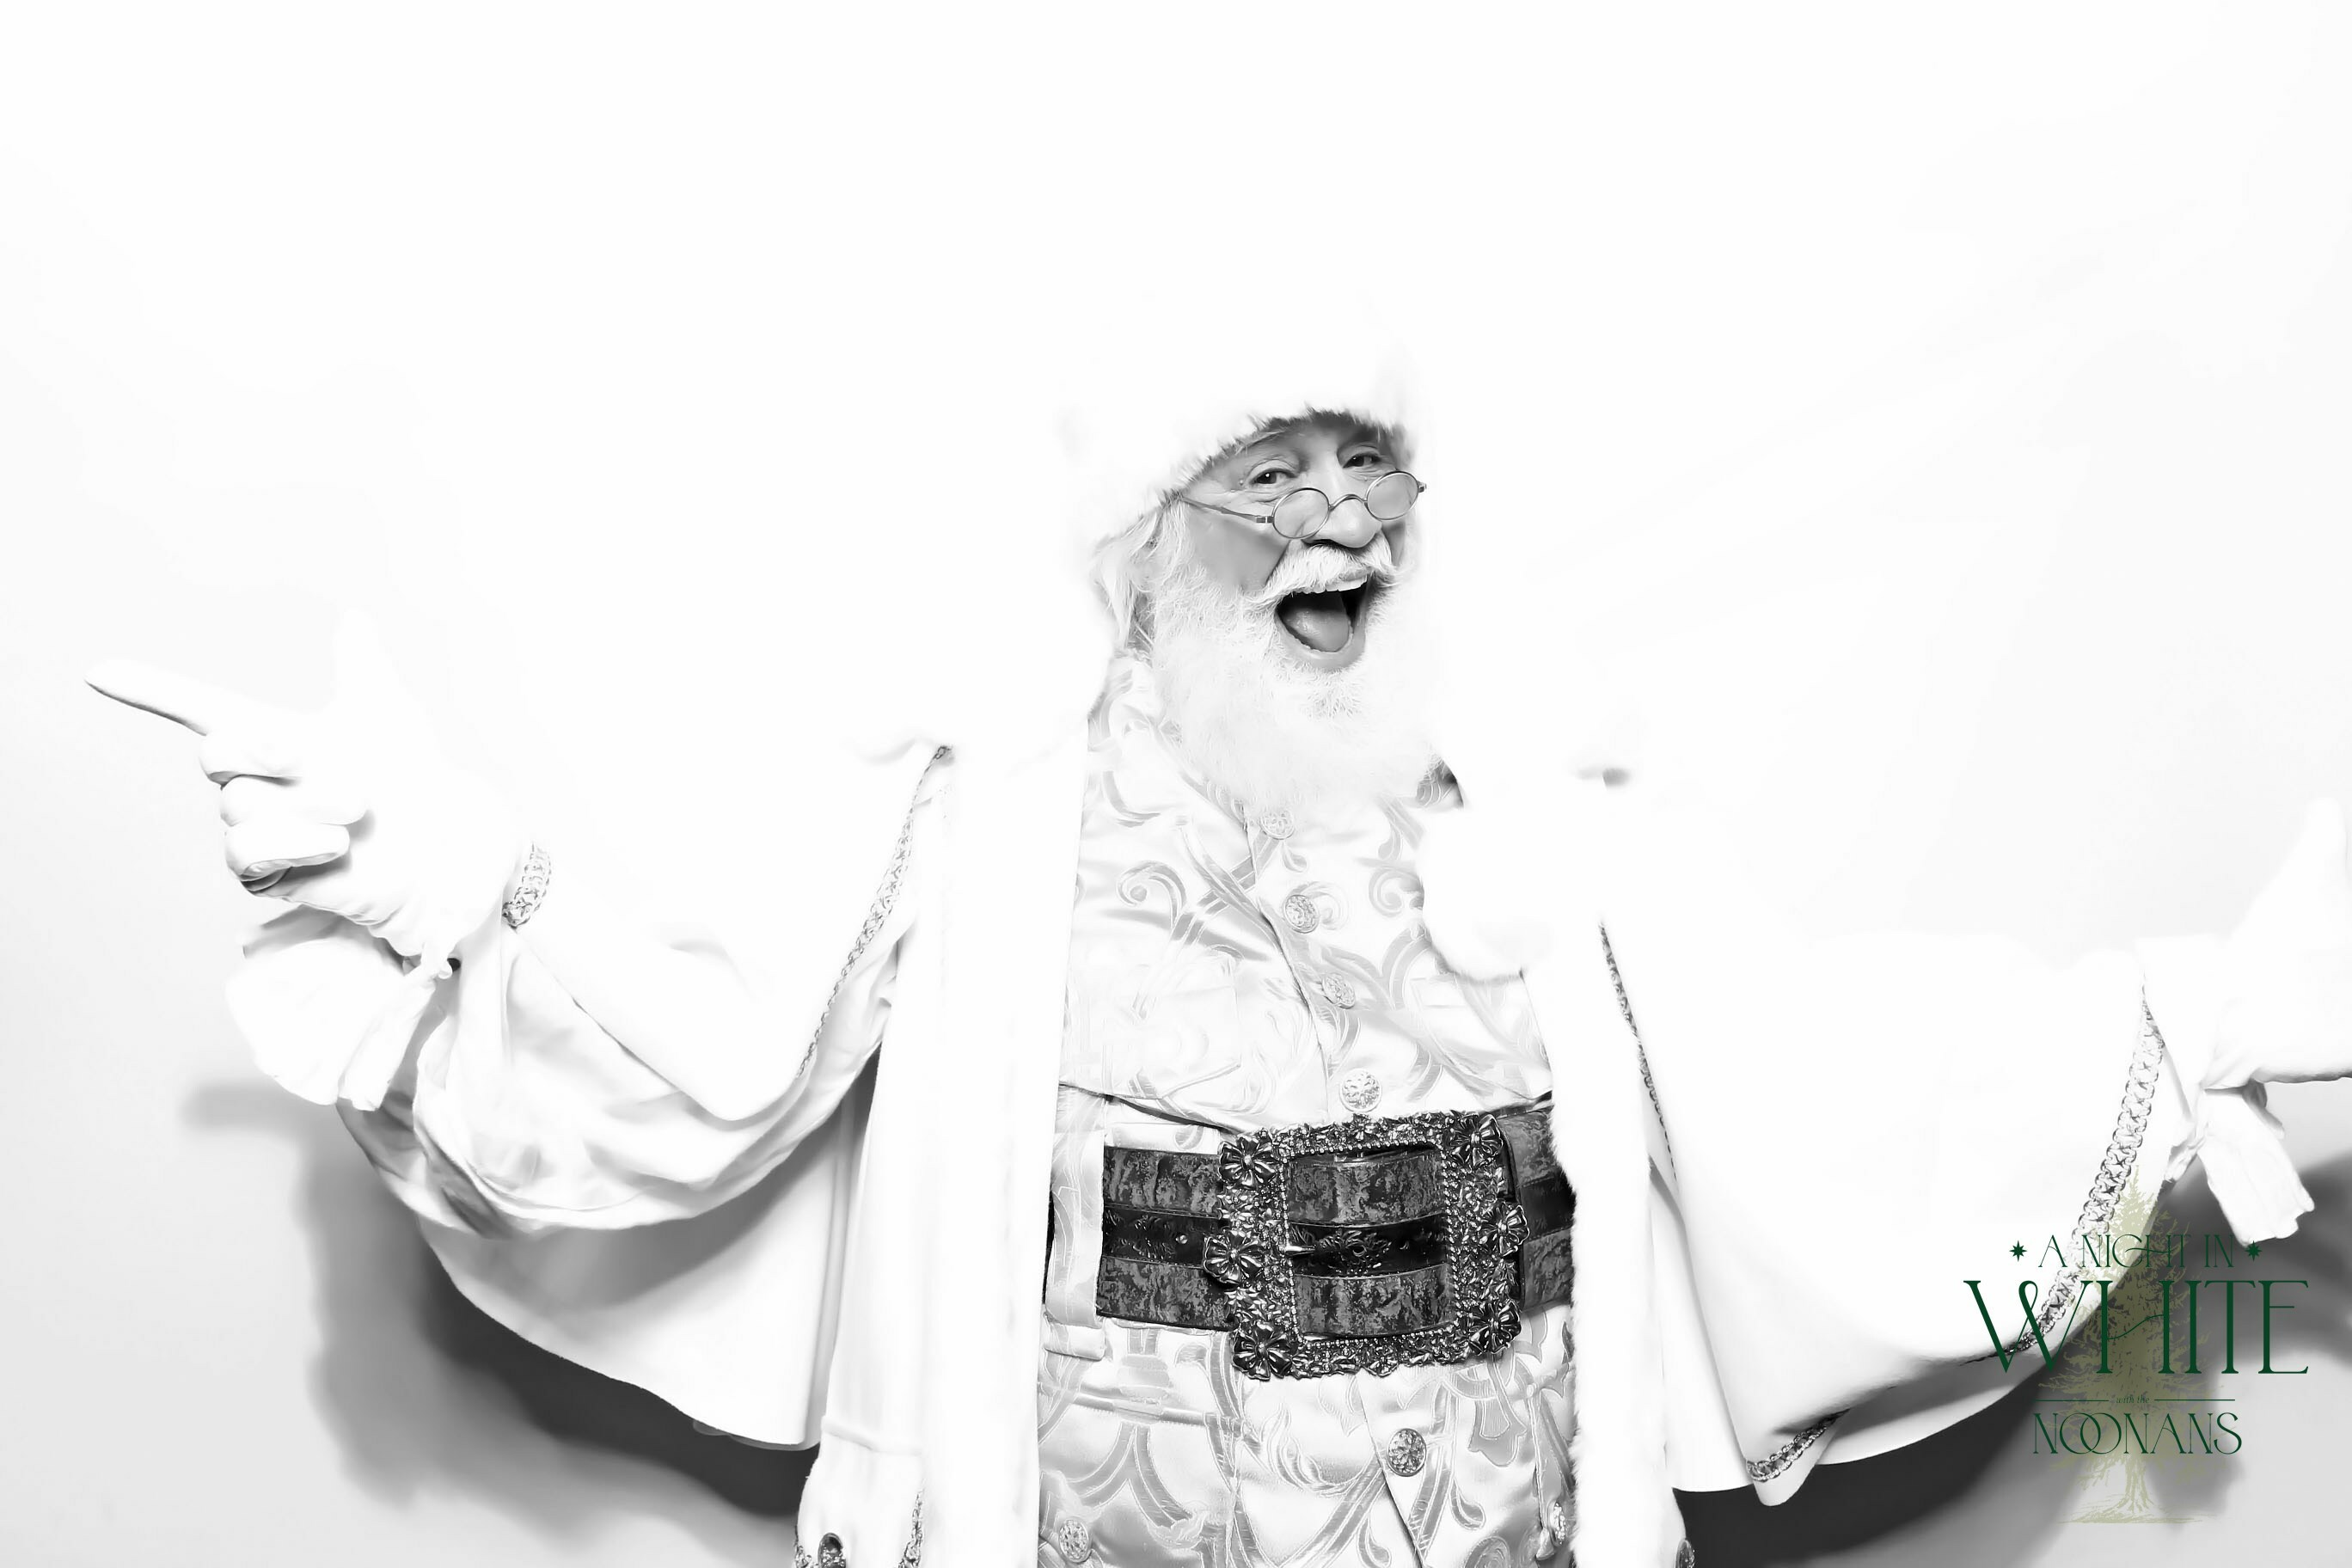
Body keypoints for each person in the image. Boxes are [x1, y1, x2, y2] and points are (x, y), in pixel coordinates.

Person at [90, 371, 2352, 1568]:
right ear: (1145, 534)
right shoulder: (982, 814)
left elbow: (1807, 1079)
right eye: (1277, 466)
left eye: (1376, 466)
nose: (1343, 513)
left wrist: (2194, 1026)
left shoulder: (1532, 809)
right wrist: (453, 888)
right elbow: (704, 1060)